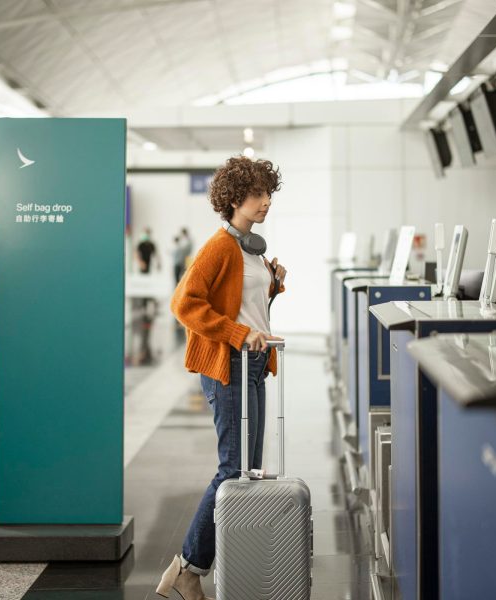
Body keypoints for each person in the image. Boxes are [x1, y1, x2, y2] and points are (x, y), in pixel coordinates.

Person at [157, 156, 287, 600]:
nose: (266, 201)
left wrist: (273, 285)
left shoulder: (253, 248)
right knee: (231, 469)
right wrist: (236, 333)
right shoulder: (218, 246)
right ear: (234, 199)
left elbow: (242, 303)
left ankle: (211, 565)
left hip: (253, 362)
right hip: (226, 364)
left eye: (269, 193)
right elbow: (185, 304)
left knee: (248, 471)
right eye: (257, 194)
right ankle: (188, 568)